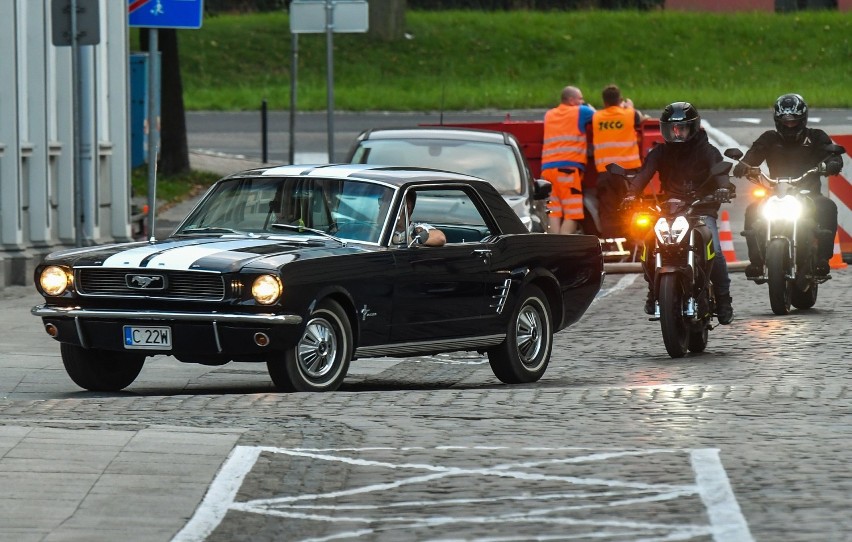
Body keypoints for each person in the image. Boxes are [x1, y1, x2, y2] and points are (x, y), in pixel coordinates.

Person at [621, 102, 735, 325]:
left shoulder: (706, 150)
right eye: (672, 129)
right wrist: (631, 194)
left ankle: (723, 299)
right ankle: (654, 291)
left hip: (701, 207)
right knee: (648, 242)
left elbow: (719, 169)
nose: (677, 133)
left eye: (681, 128)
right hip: (670, 208)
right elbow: (644, 174)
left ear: (692, 128)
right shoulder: (660, 152)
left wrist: (724, 188)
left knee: (717, 251)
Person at [733, 93, 843, 278]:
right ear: (778, 120)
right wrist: (743, 166)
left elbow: (832, 155)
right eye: (785, 121)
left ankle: (823, 259)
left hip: (808, 193)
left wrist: (832, 163)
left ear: (803, 119)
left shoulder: (816, 137)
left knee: (828, 206)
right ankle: (757, 262)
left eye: (794, 121)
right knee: (753, 210)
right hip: (775, 193)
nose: (789, 125)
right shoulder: (769, 138)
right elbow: (753, 155)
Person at [591, 84, 649, 238]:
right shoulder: (629, 114)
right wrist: (629, 106)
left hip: (606, 172)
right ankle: (633, 245)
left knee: (609, 211)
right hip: (627, 173)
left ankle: (612, 245)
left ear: (604, 103)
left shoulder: (597, 117)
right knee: (631, 210)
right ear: (620, 100)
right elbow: (642, 118)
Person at [541, 85, 596, 234]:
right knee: (573, 214)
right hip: (567, 171)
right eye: (580, 98)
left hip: (547, 172)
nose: (582, 101)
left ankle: (553, 250)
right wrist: (588, 106)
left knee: (554, 212)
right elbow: (598, 117)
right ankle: (563, 249)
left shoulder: (549, 114)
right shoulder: (581, 111)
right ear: (571, 100)